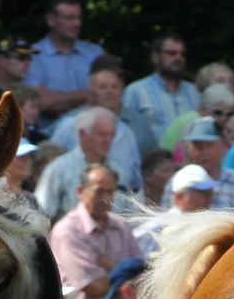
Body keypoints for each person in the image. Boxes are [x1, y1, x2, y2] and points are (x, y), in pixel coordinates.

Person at [47, 164, 137, 299]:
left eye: (110, 191)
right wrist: (123, 270)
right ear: (81, 191)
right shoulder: (68, 230)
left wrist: (108, 264)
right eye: (99, 191)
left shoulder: (120, 227)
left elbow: (141, 275)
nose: (105, 197)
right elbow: (94, 286)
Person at [48, 61, 143, 191]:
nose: (109, 91)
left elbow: (136, 182)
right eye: (102, 87)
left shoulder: (127, 133)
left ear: (121, 92)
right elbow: (49, 164)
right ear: (90, 92)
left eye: (114, 87)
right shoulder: (68, 126)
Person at [27, 0, 104, 119]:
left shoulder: (95, 53)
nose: (77, 23)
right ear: (51, 20)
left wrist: (57, 99)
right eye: (69, 18)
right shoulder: (34, 56)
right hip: (50, 135)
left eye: (79, 18)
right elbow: (41, 103)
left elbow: (107, 98)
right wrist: (89, 94)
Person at [35, 106, 118, 221]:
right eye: (102, 135)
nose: (108, 141)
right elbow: (42, 216)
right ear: (82, 134)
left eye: (111, 135)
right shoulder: (58, 169)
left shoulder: (118, 170)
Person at [121, 33, 198, 148]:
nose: (178, 58)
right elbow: (124, 132)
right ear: (155, 58)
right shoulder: (136, 91)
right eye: (171, 53)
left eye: (182, 54)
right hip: (152, 162)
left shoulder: (195, 92)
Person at [135, 164, 214, 257]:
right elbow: (140, 265)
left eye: (210, 194)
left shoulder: (210, 226)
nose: (209, 200)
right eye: (202, 194)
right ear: (180, 196)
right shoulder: (155, 229)